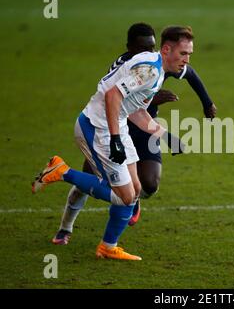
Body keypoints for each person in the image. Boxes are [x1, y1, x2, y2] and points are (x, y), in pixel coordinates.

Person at [32, 25, 194, 261]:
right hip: (98, 128)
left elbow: (135, 110)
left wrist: (164, 136)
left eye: (189, 54)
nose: (187, 60)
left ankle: (108, 247)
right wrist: (116, 138)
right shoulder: (150, 71)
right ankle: (62, 171)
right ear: (167, 49)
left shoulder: (155, 69)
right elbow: (113, 96)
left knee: (135, 191)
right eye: (183, 54)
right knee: (125, 196)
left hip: (113, 125)